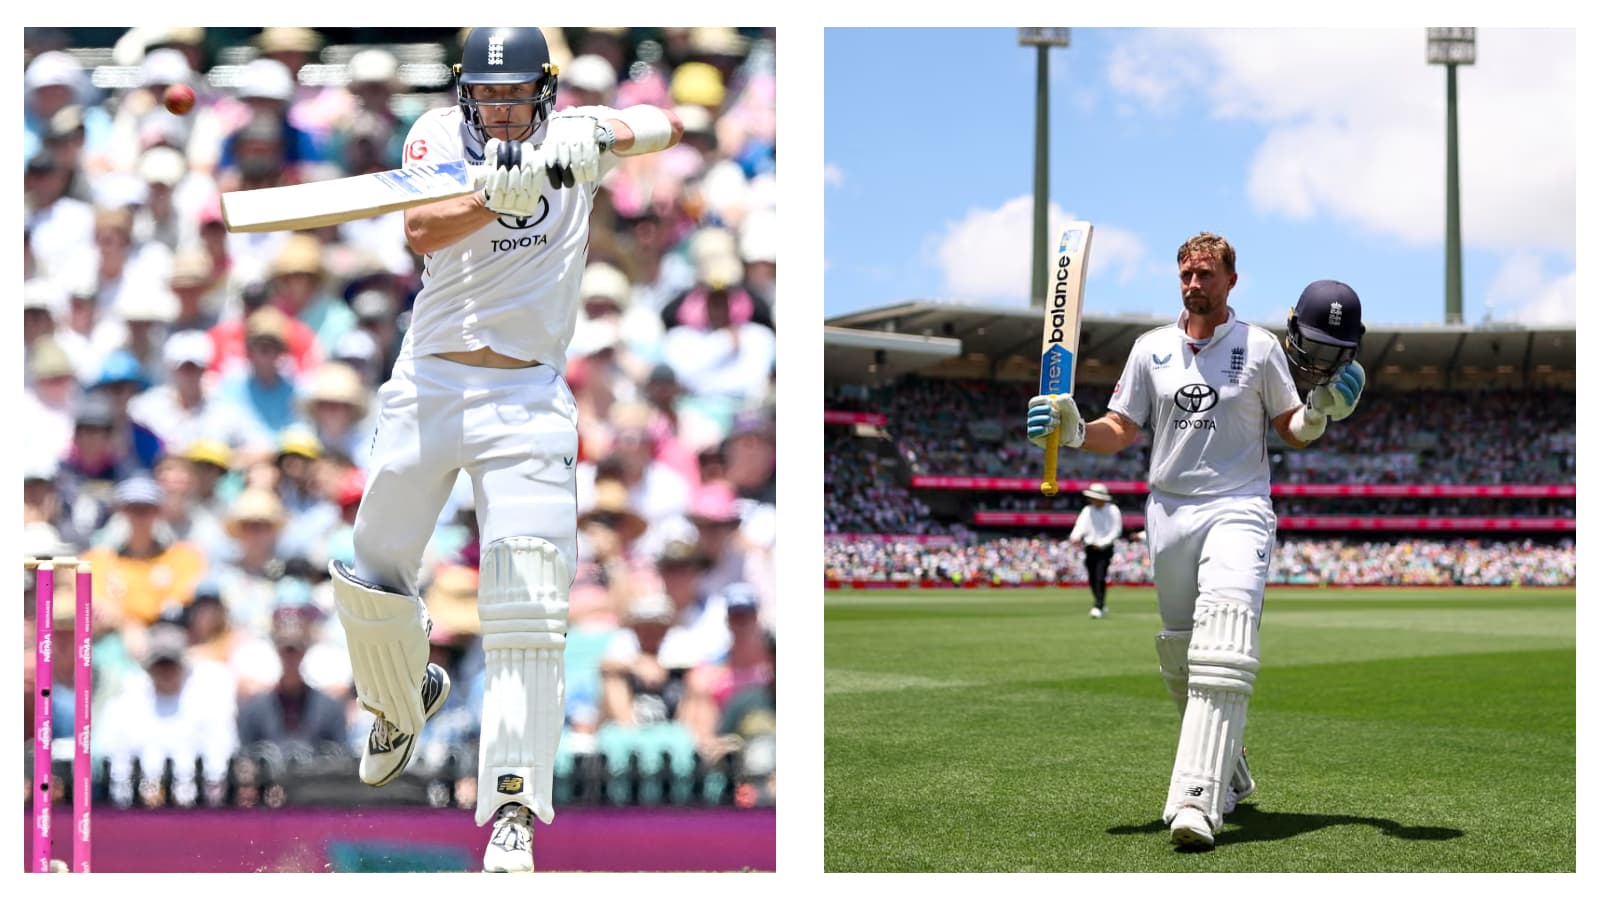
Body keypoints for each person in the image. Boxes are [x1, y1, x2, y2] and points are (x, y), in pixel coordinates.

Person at [326, 27, 683, 873]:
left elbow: (659, 127)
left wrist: (600, 138)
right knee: (373, 563)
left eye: (514, 94)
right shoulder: (435, 138)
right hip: (430, 384)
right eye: (485, 95)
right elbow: (419, 227)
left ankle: (514, 812)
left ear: (544, 92)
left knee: (527, 605)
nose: (499, 109)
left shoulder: (569, 133)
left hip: (526, 398)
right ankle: (399, 695)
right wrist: (493, 195)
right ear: (464, 94)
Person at [1025, 235, 1367, 849]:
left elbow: (1292, 428)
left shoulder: (1259, 348)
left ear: (1231, 281)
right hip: (1168, 512)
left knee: (1223, 645)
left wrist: (1319, 414)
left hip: (1239, 507)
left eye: (1205, 274)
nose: (1193, 283)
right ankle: (1230, 773)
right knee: (1183, 657)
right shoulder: (1150, 350)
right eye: (1185, 273)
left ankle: (1193, 802)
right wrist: (1074, 428)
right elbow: (1120, 429)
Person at [1067, 482, 1122, 619]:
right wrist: (1075, 536)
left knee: (1099, 576)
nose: (1092, 500)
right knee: (1092, 578)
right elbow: (1080, 526)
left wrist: (1103, 543)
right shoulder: (1087, 510)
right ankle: (1100, 604)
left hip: (1105, 549)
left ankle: (1098, 605)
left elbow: (1116, 530)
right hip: (1090, 548)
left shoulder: (1113, 510)